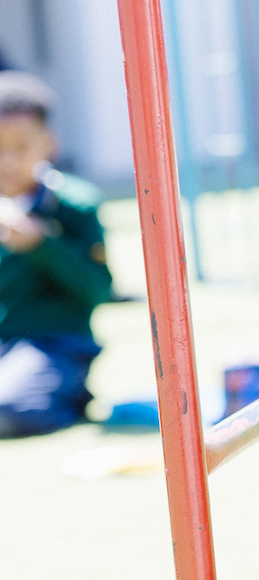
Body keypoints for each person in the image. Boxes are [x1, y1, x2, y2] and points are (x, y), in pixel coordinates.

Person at [0, 72, 113, 438]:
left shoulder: (74, 205)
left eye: (21, 148)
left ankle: (69, 396)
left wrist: (43, 244)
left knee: (12, 409)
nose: (7, 161)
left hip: (53, 343)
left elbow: (97, 290)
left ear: (49, 145)